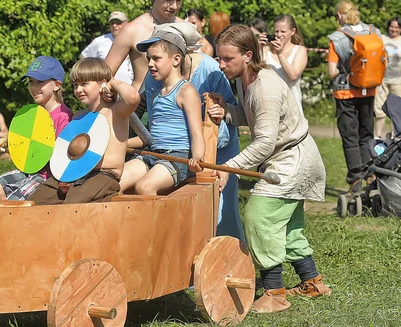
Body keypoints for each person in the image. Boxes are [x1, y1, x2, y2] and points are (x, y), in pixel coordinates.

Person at [210, 25, 330, 313]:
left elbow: (264, 142)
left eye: (227, 59)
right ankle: (312, 282)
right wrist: (227, 111)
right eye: (219, 58)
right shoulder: (246, 80)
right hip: (286, 157)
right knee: (285, 227)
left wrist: (228, 167)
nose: (221, 64)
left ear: (248, 55)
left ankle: (274, 293)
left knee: (258, 217)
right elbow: (254, 117)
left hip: (292, 160)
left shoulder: (266, 87)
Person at [136, 23, 244, 240]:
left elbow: (227, 116)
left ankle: (224, 251)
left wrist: (202, 154)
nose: (151, 63)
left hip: (211, 148)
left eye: (157, 55)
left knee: (222, 212)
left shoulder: (208, 70)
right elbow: (149, 113)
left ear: (179, 54)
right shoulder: (154, 75)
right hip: (166, 149)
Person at [28, 58, 139, 204]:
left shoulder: (116, 111)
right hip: (74, 175)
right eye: (75, 85)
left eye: (84, 84)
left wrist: (111, 82)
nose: (78, 90)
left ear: (102, 83)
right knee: (36, 201)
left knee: (73, 204)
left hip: (104, 175)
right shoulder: (78, 116)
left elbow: (132, 97)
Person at [119, 25, 205, 196]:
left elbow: (197, 133)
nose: (150, 64)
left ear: (176, 60)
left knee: (144, 187)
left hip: (178, 157)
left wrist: (198, 158)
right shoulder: (156, 94)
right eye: (149, 59)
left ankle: (153, 224)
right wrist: (119, 144)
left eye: (156, 59)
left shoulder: (186, 91)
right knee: (115, 182)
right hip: (153, 153)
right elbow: (153, 136)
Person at [0, 56, 73, 200]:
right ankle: (7, 219)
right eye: (31, 82)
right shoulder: (31, 114)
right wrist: (7, 142)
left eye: (40, 82)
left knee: (14, 201)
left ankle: (11, 219)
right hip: (28, 170)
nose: (34, 87)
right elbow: (27, 141)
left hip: (48, 177)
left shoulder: (64, 117)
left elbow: (59, 154)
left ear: (56, 84)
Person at [105, 0, 188, 92]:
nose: (174, 6)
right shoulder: (132, 30)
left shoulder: (185, 29)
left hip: (178, 105)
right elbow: (104, 75)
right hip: (141, 106)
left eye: (179, 0)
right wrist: (126, 95)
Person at [327, 0, 380, 193]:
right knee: (367, 135)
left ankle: (355, 181)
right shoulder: (374, 32)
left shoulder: (337, 38)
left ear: (340, 16)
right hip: (370, 90)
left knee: (350, 137)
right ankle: (371, 177)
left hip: (345, 92)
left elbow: (332, 71)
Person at [264, 14, 308, 112]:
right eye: (276, 31)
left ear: (293, 32)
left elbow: (293, 75)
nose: (279, 35)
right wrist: (258, 47)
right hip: (269, 108)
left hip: (292, 109)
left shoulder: (299, 50)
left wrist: (280, 54)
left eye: (283, 31)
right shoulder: (266, 50)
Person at [375, 16, 401, 138]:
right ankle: (378, 135)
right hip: (382, 80)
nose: (393, 29)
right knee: (379, 108)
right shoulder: (382, 39)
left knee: (397, 110)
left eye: (396, 27)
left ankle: (396, 136)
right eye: (391, 26)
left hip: (398, 81)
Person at [80, 11, 134, 85]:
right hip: (107, 89)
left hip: (132, 88)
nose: (114, 25)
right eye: (112, 23)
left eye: (118, 23)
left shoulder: (134, 39)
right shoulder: (100, 41)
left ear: (127, 23)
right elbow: (83, 59)